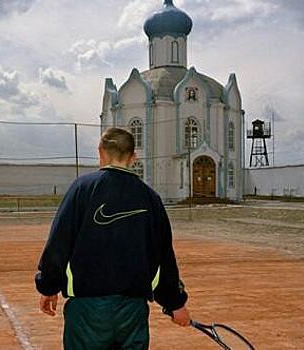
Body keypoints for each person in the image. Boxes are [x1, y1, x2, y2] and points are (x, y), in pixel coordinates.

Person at [35, 128, 190, 349]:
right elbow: (163, 257)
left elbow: (59, 244)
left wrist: (49, 286)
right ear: (133, 157)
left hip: (87, 311)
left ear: (101, 152)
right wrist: (175, 303)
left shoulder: (82, 189)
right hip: (132, 312)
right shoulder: (150, 197)